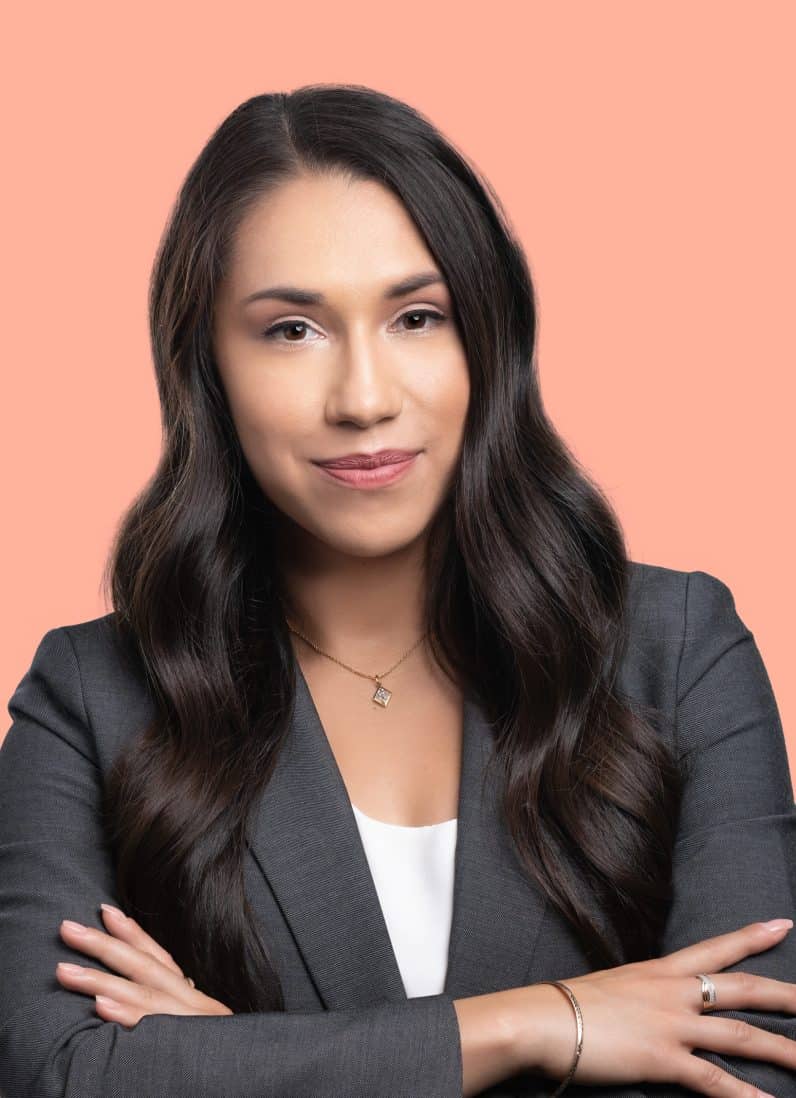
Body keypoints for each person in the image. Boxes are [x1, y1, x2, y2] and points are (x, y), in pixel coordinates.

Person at [1, 84, 794, 1098]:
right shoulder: (93, 696)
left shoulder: (678, 653)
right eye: (292, 330)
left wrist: (236, 1064)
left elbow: (749, 1077)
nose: (365, 398)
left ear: (488, 341)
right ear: (206, 365)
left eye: (418, 317)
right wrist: (538, 1025)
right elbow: (53, 1075)